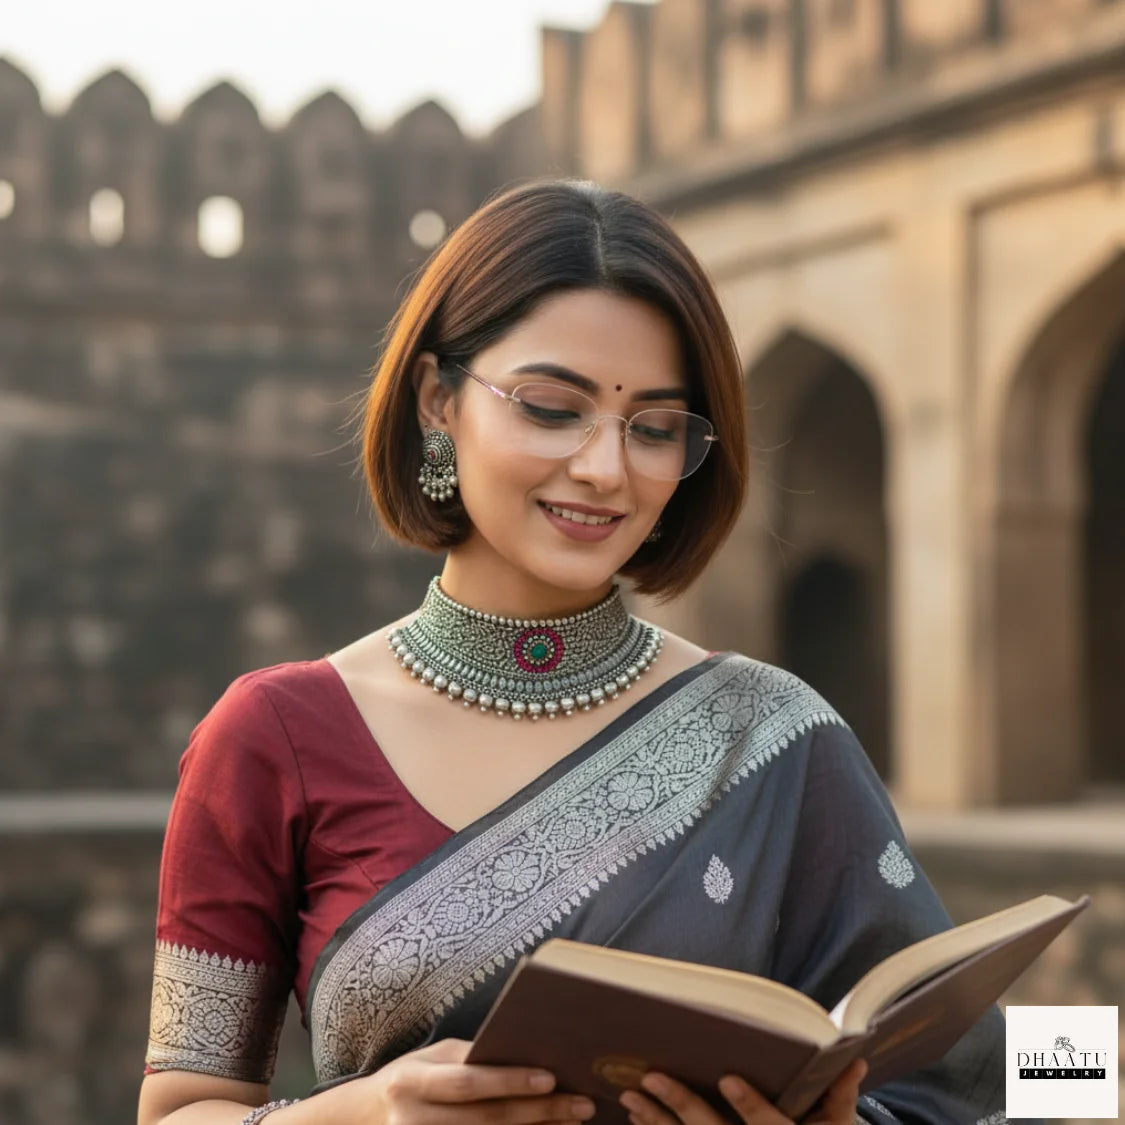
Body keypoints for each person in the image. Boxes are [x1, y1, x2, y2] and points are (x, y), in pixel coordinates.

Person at [138, 180, 1015, 1125]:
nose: (605, 468)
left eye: (654, 428)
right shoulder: (273, 736)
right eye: (552, 408)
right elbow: (178, 1109)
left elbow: (1013, 1068)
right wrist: (368, 1110)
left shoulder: (772, 734)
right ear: (439, 400)